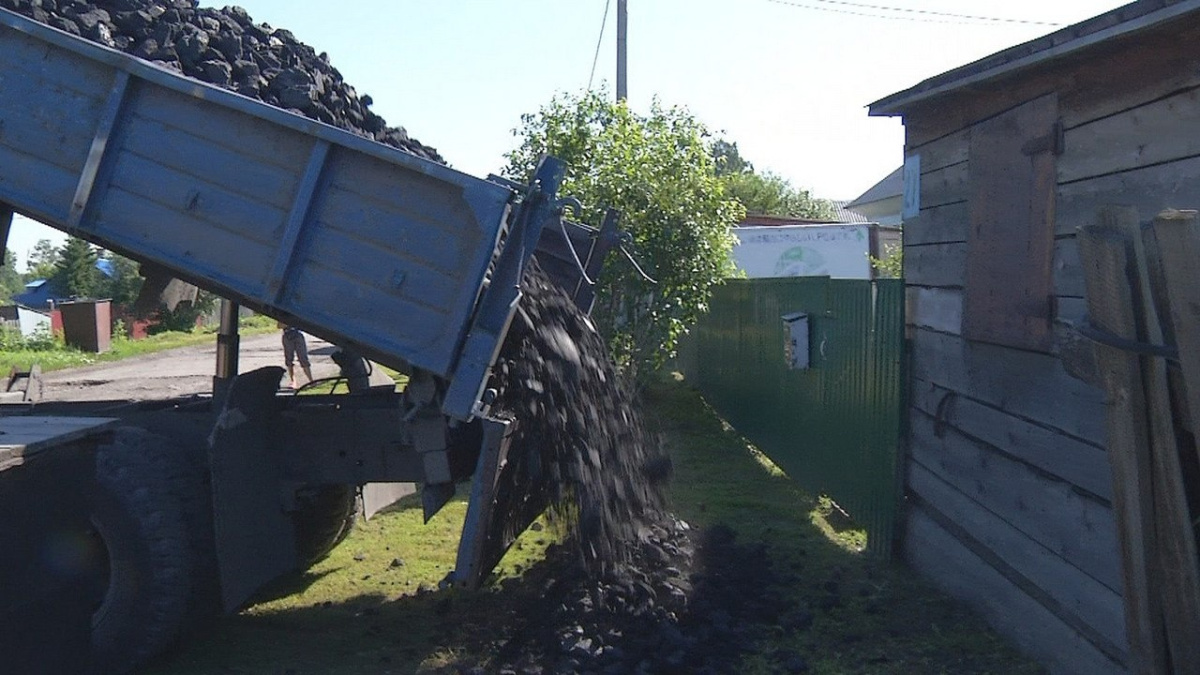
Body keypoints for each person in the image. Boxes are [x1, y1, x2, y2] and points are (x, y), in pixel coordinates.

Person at [278, 321, 313, 388]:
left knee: (303, 358)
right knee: (289, 359)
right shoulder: (283, 316)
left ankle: (311, 381)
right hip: (287, 336)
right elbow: (279, 326)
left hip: (298, 335)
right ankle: (293, 381)